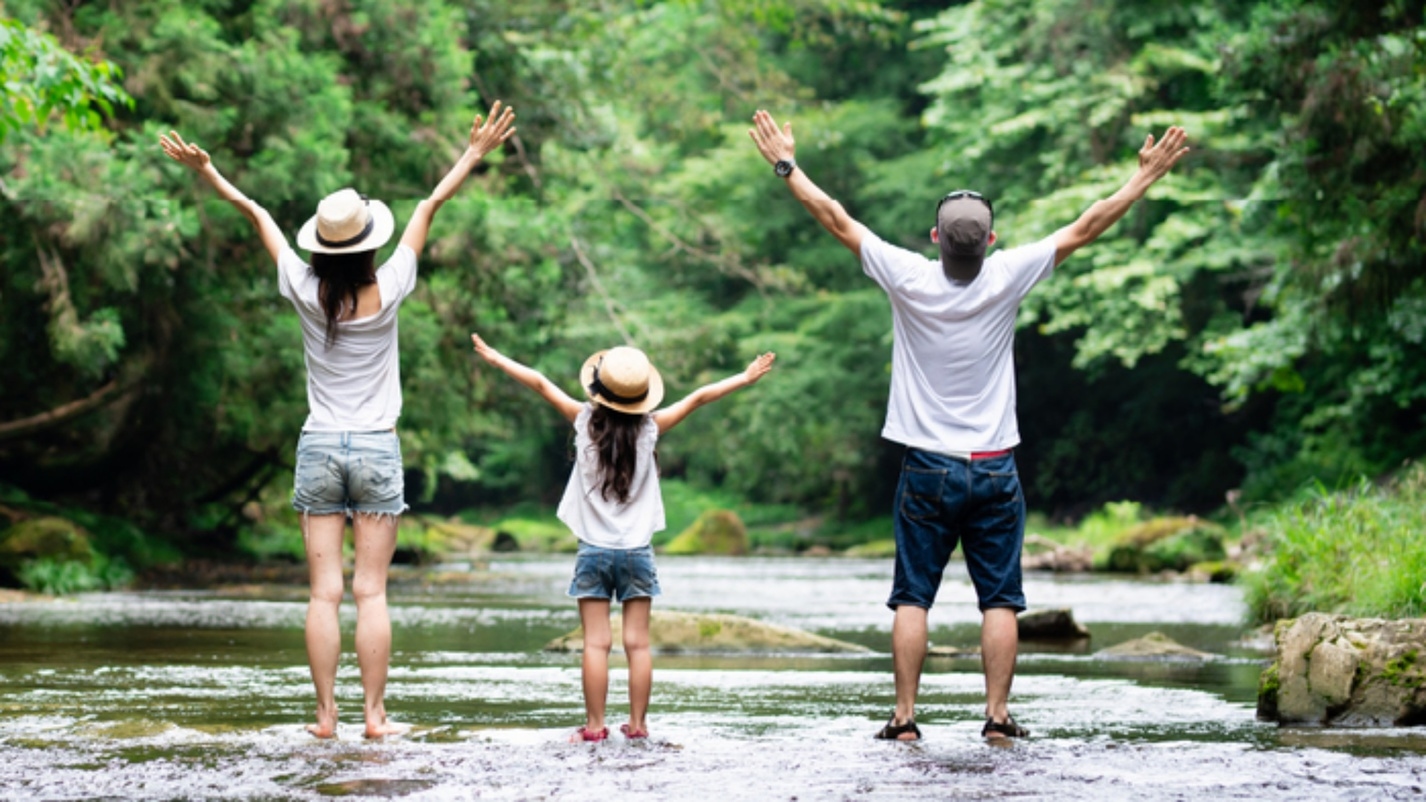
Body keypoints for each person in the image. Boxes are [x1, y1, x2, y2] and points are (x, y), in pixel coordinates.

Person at [747, 109, 1189, 741]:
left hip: (926, 465)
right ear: (989, 241)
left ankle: (904, 719)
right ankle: (998, 718)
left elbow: (835, 218)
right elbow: (1086, 226)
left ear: (934, 237)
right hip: (995, 466)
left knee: (911, 597)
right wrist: (1142, 179)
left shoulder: (906, 276)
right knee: (1002, 598)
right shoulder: (1009, 274)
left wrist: (786, 164)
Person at [160, 101, 517, 739]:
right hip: (377, 448)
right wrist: (474, 153)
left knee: (324, 593)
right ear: (367, 244)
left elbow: (258, 215)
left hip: (319, 446)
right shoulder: (392, 284)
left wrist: (208, 170)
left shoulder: (301, 286)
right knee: (370, 594)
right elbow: (429, 207)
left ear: (321, 248)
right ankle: (375, 719)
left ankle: (326, 720)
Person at [470, 334, 776, 742]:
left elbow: (541, 383)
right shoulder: (651, 429)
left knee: (595, 645)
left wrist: (497, 358)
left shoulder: (582, 421)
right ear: (641, 396)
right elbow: (700, 398)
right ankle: (638, 726)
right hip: (637, 553)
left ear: (599, 389)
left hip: (593, 552)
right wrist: (744, 377)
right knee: (638, 645)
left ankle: (595, 727)